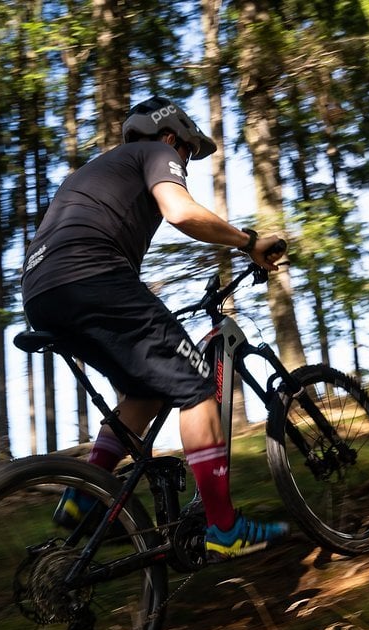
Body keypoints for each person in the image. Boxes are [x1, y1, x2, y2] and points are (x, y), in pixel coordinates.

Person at [20, 96, 289, 561]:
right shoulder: (155, 153)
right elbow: (180, 212)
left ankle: (83, 494)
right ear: (171, 138)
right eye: (187, 153)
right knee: (197, 386)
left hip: (42, 292)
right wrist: (249, 242)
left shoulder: (94, 171)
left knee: (144, 392)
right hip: (92, 277)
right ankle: (224, 528)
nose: (183, 163)